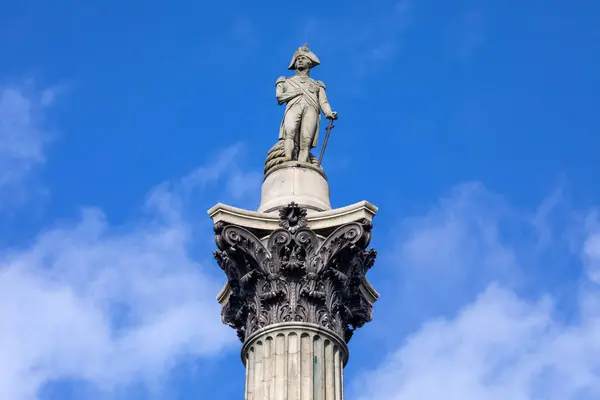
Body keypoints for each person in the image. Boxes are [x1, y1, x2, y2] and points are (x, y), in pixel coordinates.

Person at [276, 44, 338, 163]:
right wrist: (295, 93)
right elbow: (279, 98)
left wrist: (329, 113)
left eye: (303, 58)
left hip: (311, 109)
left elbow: (323, 102)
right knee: (290, 132)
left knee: (306, 140)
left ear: (309, 63)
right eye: (297, 59)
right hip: (293, 106)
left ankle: (302, 164)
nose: (299, 60)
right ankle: (288, 160)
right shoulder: (286, 81)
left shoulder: (317, 84)